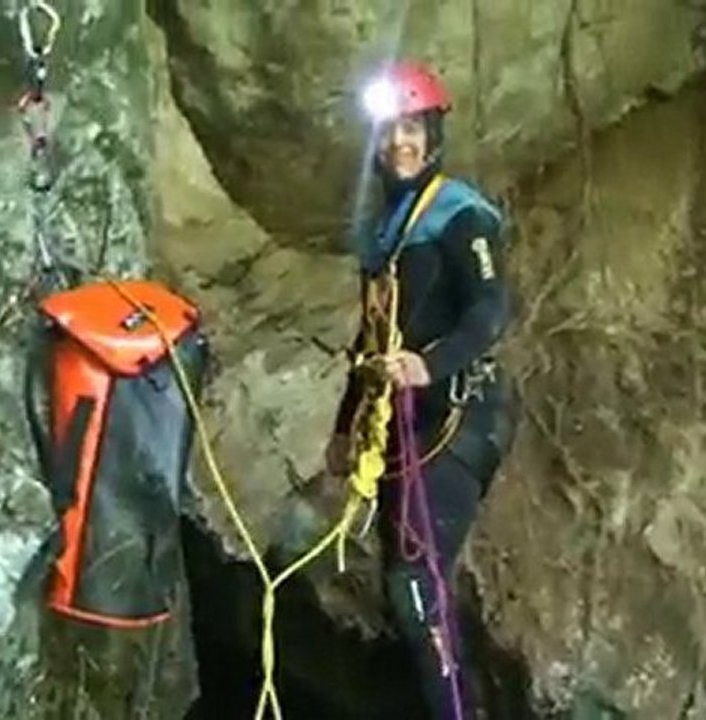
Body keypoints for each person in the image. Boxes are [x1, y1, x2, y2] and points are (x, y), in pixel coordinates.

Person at [325, 60, 520, 719]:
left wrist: (431, 366)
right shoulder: (386, 234)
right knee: (407, 589)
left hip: (461, 418)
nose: (400, 143)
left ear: (433, 135)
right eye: (388, 132)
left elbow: (491, 310)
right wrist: (344, 427)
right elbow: (372, 339)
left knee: (414, 583)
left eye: (412, 128)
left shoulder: (461, 216)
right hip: (407, 428)